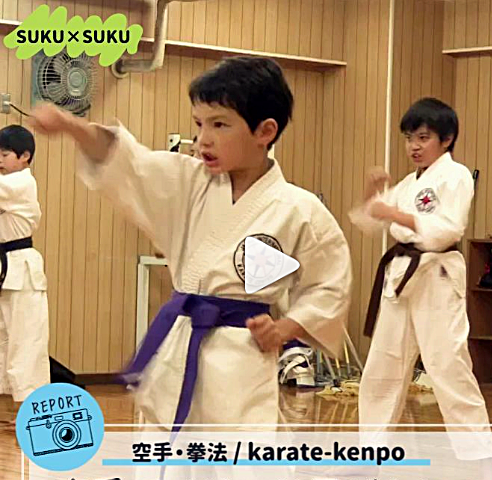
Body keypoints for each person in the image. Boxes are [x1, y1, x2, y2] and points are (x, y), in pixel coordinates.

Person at [28, 57, 352, 432]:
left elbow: (330, 283)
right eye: (198, 124)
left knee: (239, 455)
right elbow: (129, 162)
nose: (203, 139)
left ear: (265, 131)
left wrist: (286, 328)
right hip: (178, 348)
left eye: (219, 124)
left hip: (241, 357)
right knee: (165, 450)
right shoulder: (187, 181)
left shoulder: (299, 209)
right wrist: (72, 126)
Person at [349, 97, 492, 480]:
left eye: (422, 137)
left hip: (436, 277)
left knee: (449, 369)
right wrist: (373, 192)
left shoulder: (456, 176)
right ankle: (369, 456)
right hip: (401, 278)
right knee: (381, 369)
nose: (413, 146)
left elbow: (447, 229)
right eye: (408, 138)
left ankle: (485, 466)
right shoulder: (409, 182)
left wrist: (394, 214)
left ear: (445, 139)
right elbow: (369, 219)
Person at [0, 124, 50, 416]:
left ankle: (31, 413)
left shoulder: (21, 183)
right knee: (5, 340)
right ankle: (9, 411)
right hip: (6, 268)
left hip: (22, 267)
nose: (0, 160)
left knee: (26, 341)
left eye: (5, 154)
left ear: (25, 156)